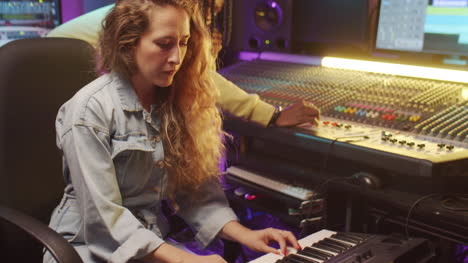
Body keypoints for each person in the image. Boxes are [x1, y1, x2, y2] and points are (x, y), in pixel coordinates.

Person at [44, 0, 302, 263]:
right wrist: (185, 260)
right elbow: (103, 218)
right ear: (129, 43)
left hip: (151, 243)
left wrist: (245, 235)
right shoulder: (89, 111)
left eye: (183, 42)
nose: (177, 58)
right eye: (164, 44)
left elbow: (195, 193)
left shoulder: (175, 103)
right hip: (86, 248)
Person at [47, 2, 320, 128]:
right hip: (57, 89)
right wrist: (270, 114)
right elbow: (199, 76)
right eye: (211, 8)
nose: (213, 13)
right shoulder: (152, 18)